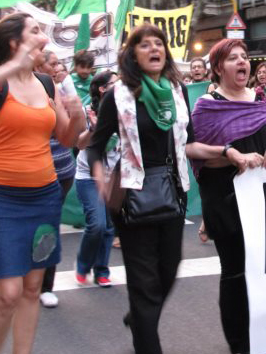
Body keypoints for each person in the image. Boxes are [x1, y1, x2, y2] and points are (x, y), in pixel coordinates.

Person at [88, 25, 244, 354]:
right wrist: (101, 178)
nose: (154, 49)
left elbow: (187, 144)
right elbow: (95, 146)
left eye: (159, 43)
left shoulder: (176, 90)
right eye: (144, 45)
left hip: (173, 192)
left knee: (168, 272)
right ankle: (145, 329)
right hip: (132, 196)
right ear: (132, 55)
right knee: (145, 287)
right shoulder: (117, 95)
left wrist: (225, 151)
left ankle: (140, 315)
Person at [0, 12, 85, 354]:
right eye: (37, 31)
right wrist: (12, 67)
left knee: (30, 289)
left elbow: (67, 138)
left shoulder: (45, 84)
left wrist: (79, 115)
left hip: (44, 198)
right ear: (16, 42)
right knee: (6, 294)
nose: (45, 37)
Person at [191, 38, 266, 354]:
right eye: (233, 58)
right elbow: (196, 152)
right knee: (235, 272)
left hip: (265, 201)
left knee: (265, 269)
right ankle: (239, 343)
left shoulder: (263, 101)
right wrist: (231, 155)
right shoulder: (207, 107)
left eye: (244, 57)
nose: (242, 62)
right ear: (219, 68)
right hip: (226, 200)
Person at [36, 50, 79, 308]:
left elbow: (75, 136)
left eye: (59, 65)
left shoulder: (62, 92)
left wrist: (76, 111)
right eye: (52, 64)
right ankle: (25, 277)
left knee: (48, 226)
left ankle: (45, 286)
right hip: (33, 174)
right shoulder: (26, 91)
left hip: (62, 173)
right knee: (32, 226)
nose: (57, 68)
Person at [73, 71, 118, 289]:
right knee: (97, 225)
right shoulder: (87, 110)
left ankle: (102, 270)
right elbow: (80, 145)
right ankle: (83, 264)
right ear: (102, 89)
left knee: (110, 227)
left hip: (115, 177)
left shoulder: (125, 109)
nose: (120, 86)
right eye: (115, 83)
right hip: (88, 176)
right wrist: (93, 128)